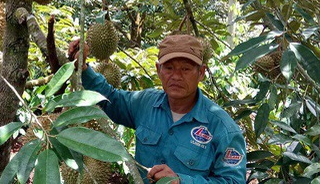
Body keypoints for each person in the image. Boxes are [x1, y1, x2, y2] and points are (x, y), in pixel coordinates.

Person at [68, 34, 247, 184]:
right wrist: (83, 68)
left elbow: (233, 181)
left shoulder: (222, 129)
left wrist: (181, 181)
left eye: (185, 69)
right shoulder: (145, 103)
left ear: (201, 73)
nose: (176, 76)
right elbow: (110, 99)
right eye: (169, 68)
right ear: (158, 70)